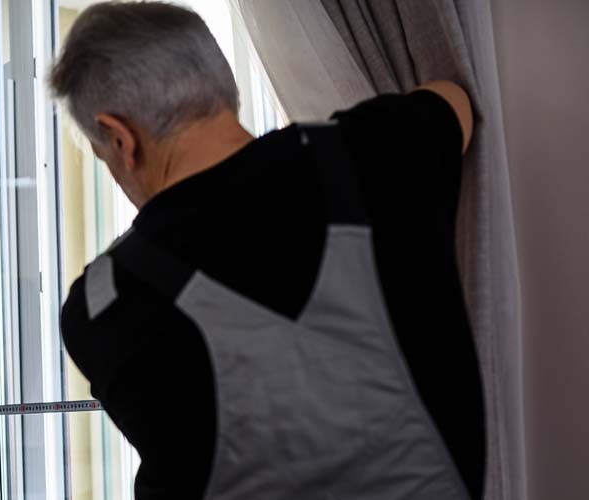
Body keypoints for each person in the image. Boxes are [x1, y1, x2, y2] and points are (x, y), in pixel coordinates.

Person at [51, 2, 484, 499]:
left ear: (121, 138)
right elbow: (453, 99)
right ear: (223, 87)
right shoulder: (378, 148)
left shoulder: (102, 306)